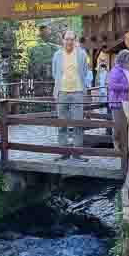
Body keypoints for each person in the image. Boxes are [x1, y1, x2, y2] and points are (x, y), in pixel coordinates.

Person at [52, 30, 90, 161]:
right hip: (61, 92)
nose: (69, 41)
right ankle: (63, 152)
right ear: (62, 40)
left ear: (75, 40)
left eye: (71, 39)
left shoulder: (81, 54)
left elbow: (84, 71)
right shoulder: (57, 55)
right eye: (67, 39)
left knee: (78, 123)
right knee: (62, 123)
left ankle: (77, 152)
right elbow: (54, 72)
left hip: (77, 92)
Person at [107, 49, 129, 168]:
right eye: (128, 59)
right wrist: (128, 87)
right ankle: (117, 148)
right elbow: (112, 85)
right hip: (118, 102)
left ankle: (125, 148)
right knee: (118, 125)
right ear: (124, 59)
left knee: (126, 125)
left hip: (127, 102)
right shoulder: (116, 70)